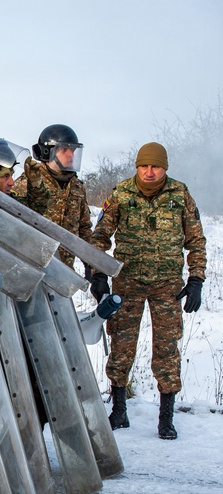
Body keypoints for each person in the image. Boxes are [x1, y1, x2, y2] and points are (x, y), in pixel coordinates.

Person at [89, 142, 206, 441]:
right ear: (137, 167)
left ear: (165, 168)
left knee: (167, 351)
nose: (150, 172)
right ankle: (119, 410)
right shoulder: (121, 194)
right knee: (122, 346)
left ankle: (165, 419)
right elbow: (100, 236)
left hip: (167, 286)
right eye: (144, 166)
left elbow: (196, 241)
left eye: (155, 166)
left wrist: (196, 280)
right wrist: (98, 272)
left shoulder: (180, 195)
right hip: (127, 284)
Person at [11, 124, 91, 268]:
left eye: (72, 150)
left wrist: (93, 267)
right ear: (48, 152)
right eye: (64, 149)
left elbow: (84, 229)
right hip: (34, 267)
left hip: (66, 271)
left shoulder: (77, 186)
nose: (70, 154)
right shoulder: (29, 182)